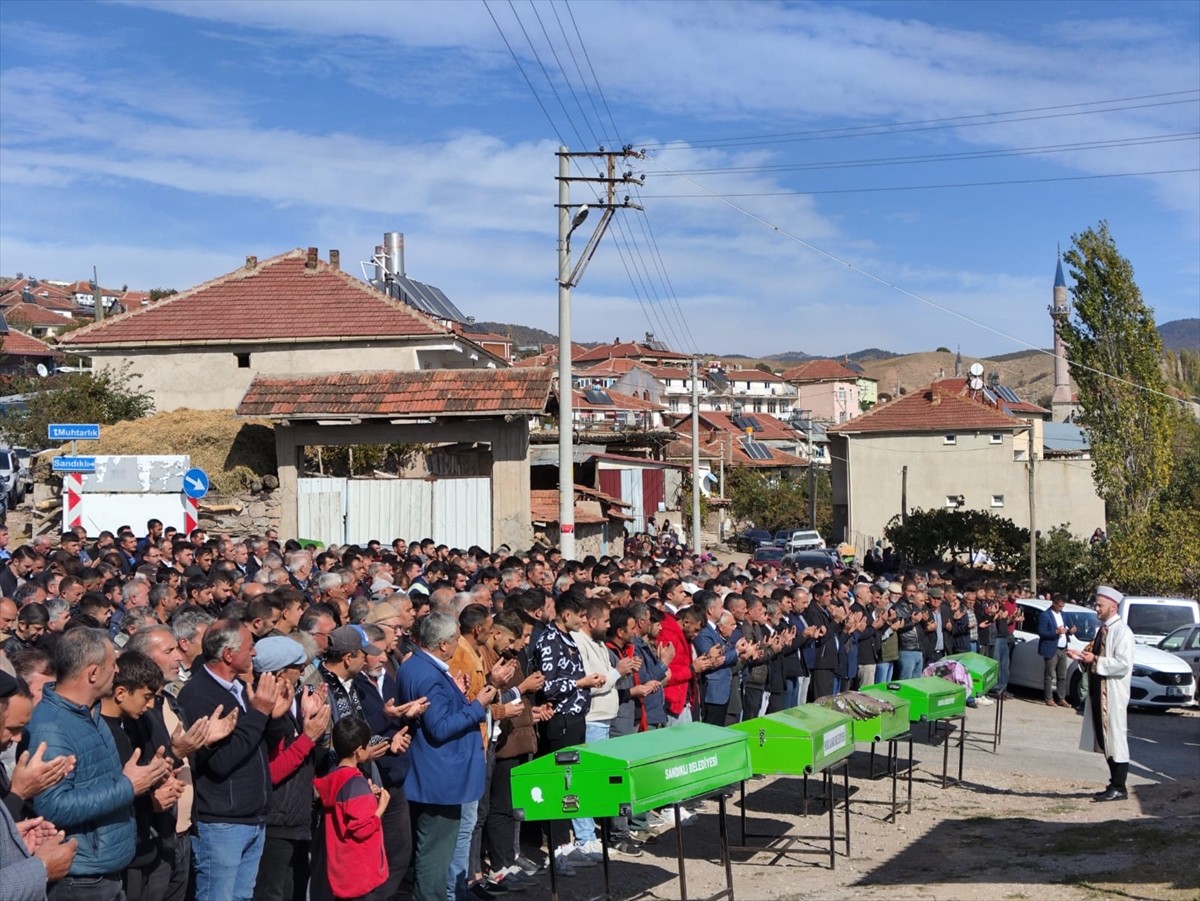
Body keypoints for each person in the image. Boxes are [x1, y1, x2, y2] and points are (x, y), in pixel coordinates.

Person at [24, 627, 172, 901]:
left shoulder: (92, 715)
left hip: (106, 874)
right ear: (93, 673)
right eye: (112, 665)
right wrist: (128, 786)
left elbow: (103, 783)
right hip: (80, 881)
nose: (117, 672)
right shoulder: (51, 728)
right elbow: (52, 806)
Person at [178, 619, 285, 901]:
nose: (254, 654)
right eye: (250, 647)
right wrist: (260, 713)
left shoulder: (238, 688)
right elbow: (220, 761)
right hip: (222, 823)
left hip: (252, 816)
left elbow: (262, 743)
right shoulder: (197, 695)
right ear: (228, 654)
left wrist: (274, 715)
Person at [397, 612, 495, 901]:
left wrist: (459, 696)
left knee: (431, 853)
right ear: (442, 644)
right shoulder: (429, 674)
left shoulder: (416, 666)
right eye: (454, 640)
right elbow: (439, 728)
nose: (456, 645)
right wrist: (478, 705)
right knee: (435, 857)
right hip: (440, 781)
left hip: (433, 775)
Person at [1068, 586, 1135, 802]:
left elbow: (1123, 664)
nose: (1096, 608)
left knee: (1115, 736)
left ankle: (1119, 786)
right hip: (1099, 689)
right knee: (1104, 737)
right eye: (1096, 604)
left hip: (1113, 692)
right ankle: (1114, 783)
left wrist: (1094, 660)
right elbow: (1095, 656)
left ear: (1113, 606)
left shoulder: (1122, 632)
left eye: (1100, 605)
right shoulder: (1103, 630)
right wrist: (1083, 657)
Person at [313, 717, 389, 901]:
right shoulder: (355, 783)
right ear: (358, 751)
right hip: (361, 873)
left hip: (343, 872)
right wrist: (381, 807)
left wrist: (367, 795)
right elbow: (362, 828)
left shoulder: (335, 778)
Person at [1038, 594, 1076, 708]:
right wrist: (1056, 632)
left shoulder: (1063, 614)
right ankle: (1049, 698)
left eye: (1062, 606)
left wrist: (1072, 630)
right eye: (1059, 606)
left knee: (1062, 675)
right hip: (1051, 648)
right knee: (1049, 675)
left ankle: (1061, 698)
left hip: (1063, 648)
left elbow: (1070, 627)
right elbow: (1042, 632)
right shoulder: (1045, 615)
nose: (1061, 608)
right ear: (1053, 603)